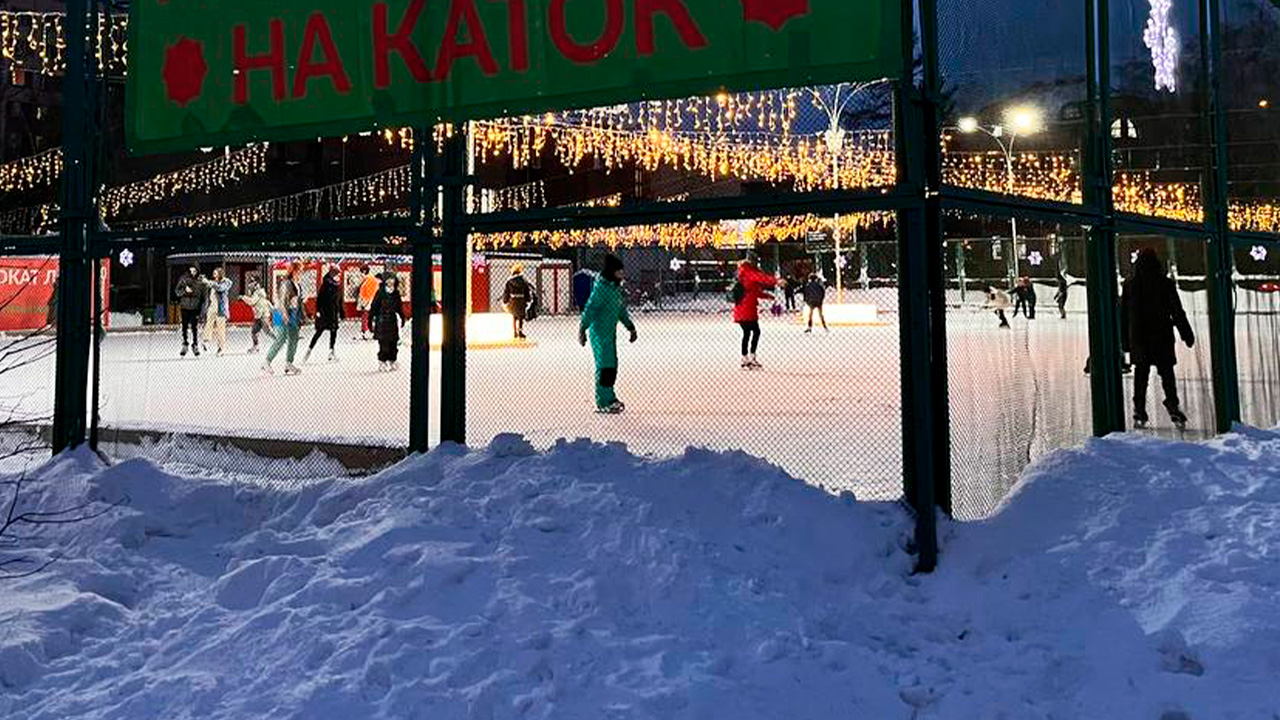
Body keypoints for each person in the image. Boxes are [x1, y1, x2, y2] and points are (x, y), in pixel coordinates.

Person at [1121, 248, 1194, 428]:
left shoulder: (1130, 285)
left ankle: (1139, 408)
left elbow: (1123, 315)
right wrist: (1186, 333)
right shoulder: (1165, 284)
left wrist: (1125, 341)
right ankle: (1172, 405)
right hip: (1161, 336)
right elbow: (1177, 311)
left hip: (1139, 337)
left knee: (1141, 374)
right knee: (1167, 373)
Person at [578, 254, 637, 414]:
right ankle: (603, 401)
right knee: (604, 366)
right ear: (612, 271)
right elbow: (590, 309)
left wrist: (630, 327)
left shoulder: (614, 289)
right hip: (599, 333)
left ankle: (609, 397)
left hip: (609, 334)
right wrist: (582, 328)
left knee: (612, 365)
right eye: (619, 271)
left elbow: (620, 310)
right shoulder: (601, 289)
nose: (622, 273)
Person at [732, 251, 782, 369]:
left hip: (744, 309)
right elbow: (762, 278)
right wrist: (776, 281)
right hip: (746, 309)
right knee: (753, 332)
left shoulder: (743, 272)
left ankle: (746, 357)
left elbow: (755, 291)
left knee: (749, 333)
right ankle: (749, 357)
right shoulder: (748, 271)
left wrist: (768, 296)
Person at [263, 262, 305, 375]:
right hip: (280, 313)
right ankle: (267, 361)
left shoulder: (298, 285)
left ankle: (289, 363)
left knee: (294, 338)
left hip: (293, 314)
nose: (301, 273)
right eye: (299, 271)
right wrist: (284, 314)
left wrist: (301, 316)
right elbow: (282, 301)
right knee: (281, 338)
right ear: (294, 271)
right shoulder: (286, 283)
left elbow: (298, 302)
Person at [305, 266, 344, 363]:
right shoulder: (326, 285)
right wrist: (318, 311)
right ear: (333, 274)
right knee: (319, 332)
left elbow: (339, 300)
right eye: (338, 274)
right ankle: (309, 351)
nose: (339, 276)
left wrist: (341, 312)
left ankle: (331, 352)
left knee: (333, 332)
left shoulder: (338, 285)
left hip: (334, 313)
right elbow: (320, 298)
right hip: (325, 313)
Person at [369, 274, 406, 371]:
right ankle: (382, 361)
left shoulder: (396, 293)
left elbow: (399, 307)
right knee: (383, 343)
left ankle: (392, 360)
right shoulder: (380, 293)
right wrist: (370, 320)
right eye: (388, 281)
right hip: (382, 320)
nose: (390, 283)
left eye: (392, 281)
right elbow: (374, 307)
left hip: (392, 320)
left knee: (393, 342)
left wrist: (402, 317)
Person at [239, 274, 274, 353]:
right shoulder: (255, 292)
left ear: (257, 283)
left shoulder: (258, 292)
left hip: (263, 315)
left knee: (268, 331)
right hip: (258, 315)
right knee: (254, 332)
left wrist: (243, 297)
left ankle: (280, 341)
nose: (250, 283)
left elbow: (252, 302)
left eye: (252, 281)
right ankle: (256, 346)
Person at [201, 267, 232, 356]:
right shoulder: (214, 282)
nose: (214, 275)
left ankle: (221, 348)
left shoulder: (225, 282)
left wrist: (209, 282)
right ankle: (206, 341)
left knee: (220, 329)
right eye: (213, 273)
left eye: (215, 273)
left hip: (220, 308)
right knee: (208, 324)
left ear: (220, 274)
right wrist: (204, 281)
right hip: (212, 307)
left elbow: (220, 288)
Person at [174, 266, 203, 357]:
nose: (192, 272)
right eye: (190, 270)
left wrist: (201, 307)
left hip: (195, 307)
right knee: (184, 326)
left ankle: (195, 344)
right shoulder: (183, 279)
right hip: (185, 306)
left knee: (194, 327)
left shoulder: (200, 281)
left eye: (194, 270)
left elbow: (202, 294)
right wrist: (185, 291)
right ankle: (185, 343)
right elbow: (177, 291)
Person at [502, 263, 533, 340]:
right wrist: (528, 300)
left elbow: (506, 292)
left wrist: (505, 301)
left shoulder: (509, 281)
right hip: (521, 300)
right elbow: (527, 292)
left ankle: (514, 332)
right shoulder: (524, 281)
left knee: (514, 316)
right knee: (521, 317)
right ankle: (520, 332)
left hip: (513, 300)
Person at [357, 266, 380, 341]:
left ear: (364, 272)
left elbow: (369, 293)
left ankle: (366, 331)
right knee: (366, 317)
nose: (360, 275)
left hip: (368, 301)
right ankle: (365, 331)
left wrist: (365, 302)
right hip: (368, 301)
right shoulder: (369, 279)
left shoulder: (370, 280)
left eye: (361, 273)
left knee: (366, 317)